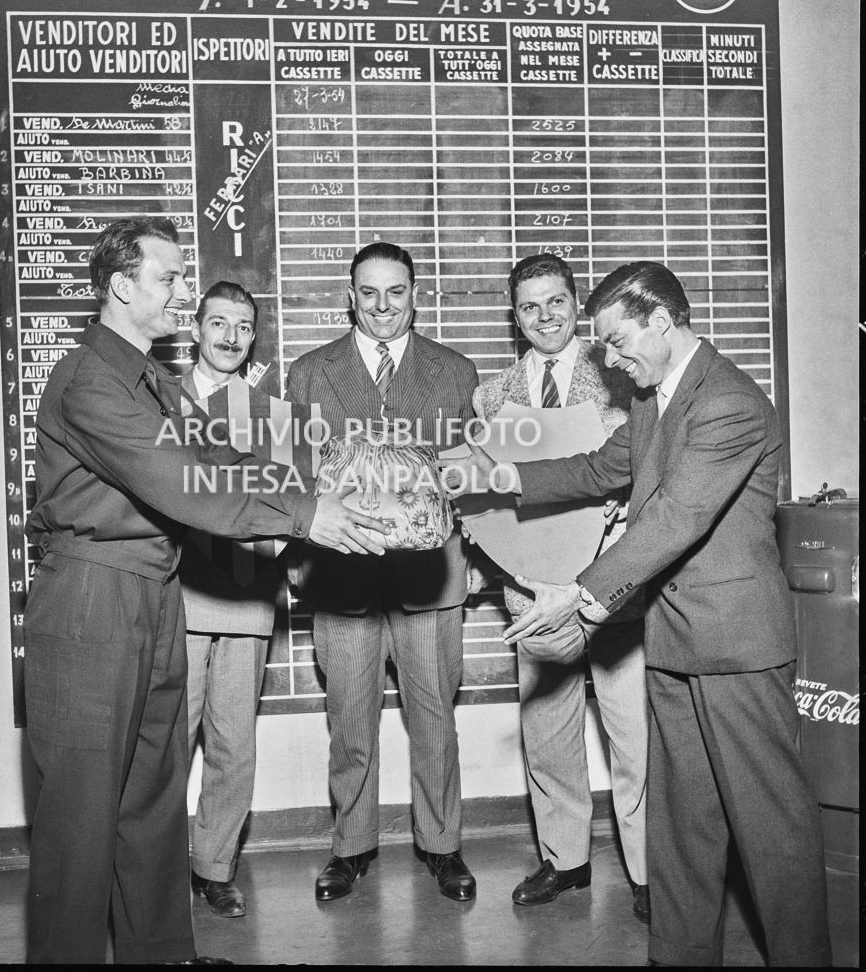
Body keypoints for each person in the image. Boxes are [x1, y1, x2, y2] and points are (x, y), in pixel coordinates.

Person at [22, 217, 388, 964]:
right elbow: (183, 483)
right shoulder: (90, 380)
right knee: (80, 820)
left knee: (151, 800)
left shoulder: (153, 380)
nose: (182, 292)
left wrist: (319, 490)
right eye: (170, 278)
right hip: (93, 598)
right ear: (122, 286)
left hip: (154, 592)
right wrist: (307, 516)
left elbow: (220, 455)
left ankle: (163, 954)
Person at [444, 261, 831, 966]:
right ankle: (677, 954)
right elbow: (596, 469)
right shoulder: (654, 401)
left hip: (736, 643)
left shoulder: (729, 401)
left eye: (619, 342)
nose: (612, 361)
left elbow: (677, 518)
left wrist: (581, 591)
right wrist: (499, 475)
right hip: (674, 636)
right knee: (683, 824)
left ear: (662, 321)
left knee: (771, 826)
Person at [285, 241, 480, 903]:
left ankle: (443, 845)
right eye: (368, 293)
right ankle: (350, 846)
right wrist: (295, 551)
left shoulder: (455, 371)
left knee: (435, 719)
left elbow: (472, 472)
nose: (382, 306)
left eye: (395, 292)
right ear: (351, 297)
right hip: (341, 576)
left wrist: (475, 555)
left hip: (430, 575)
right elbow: (295, 473)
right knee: (349, 721)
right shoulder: (310, 372)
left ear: (414, 295)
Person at [470, 254, 649, 922]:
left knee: (634, 737)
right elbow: (487, 492)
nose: (544, 316)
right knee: (548, 733)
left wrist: (624, 507)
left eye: (555, 302)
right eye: (529, 306)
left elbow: (648, 468)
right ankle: (565, 857)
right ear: (514, 317)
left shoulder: (623, 376)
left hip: (613, 583)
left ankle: (648, 871)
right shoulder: (492, 395)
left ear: (576, 304)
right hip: (533, 588)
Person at [179, 281, 279, 918]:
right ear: (196, 328)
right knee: (167, 742)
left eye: (243, 327)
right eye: (218, 323)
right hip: (178, 595)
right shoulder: (161, 401)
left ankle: (214, 868)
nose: (231, 337)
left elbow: (291, 496)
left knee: (233, 745)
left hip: (247, 594)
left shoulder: (272, 411)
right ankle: (153, 870)